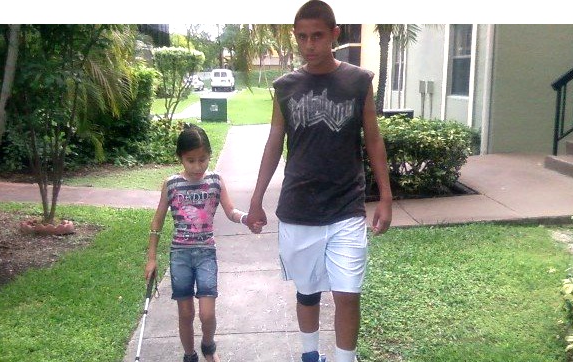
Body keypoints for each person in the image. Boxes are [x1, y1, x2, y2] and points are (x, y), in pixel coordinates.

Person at [245, 1, 393, 361]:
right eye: (302, 37)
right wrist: (256, 198)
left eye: (317, 36)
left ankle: (345, 358)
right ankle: (310, 354)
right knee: (307, 293)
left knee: (348, 293)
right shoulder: (285, 87)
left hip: (346, 206)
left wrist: (386, 197)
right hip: (299, 208)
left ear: (334, 36)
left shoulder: (358, 81)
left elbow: (373, 139)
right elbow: (274, 142)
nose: (309, 45)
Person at [145, 124, 251, 362]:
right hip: (180, 255)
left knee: (206, 314)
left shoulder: (215, 181)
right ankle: (189, 355)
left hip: (206, 254)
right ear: (180, 158)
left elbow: (231, 210)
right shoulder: (171, 184)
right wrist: (152, 258)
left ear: (209, 156)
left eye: (202, 159)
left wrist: (246, 218)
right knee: (185, 313)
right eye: (190, 160)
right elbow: (157, 222)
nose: (197, 166)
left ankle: (208, 345)